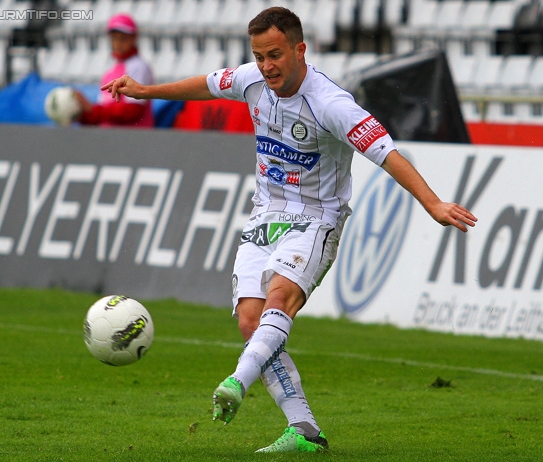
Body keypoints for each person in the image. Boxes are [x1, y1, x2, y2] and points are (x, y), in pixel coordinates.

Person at [101, 7, 477, 453]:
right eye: (259, 56)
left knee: (280, 300)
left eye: (275, 55)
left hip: (318, 216)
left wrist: (432, 203)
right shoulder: (251, 79)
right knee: (249, 320)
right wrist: (146, 91)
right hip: (266, 213)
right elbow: (206, 85)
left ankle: (237, 382)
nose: (266, 66)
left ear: (300, 49)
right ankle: (305, 431)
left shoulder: (332, 104)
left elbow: (387, 154)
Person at [75, 13, 154, 127]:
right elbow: (102, 113)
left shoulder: (139, 66)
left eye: (123, 38)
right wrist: (83, 114)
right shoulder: (110, 71)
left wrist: (92, 111)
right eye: (114, 38)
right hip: (113, 140)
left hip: (134, 140)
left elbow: (133, 110)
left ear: (134, 38)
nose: (118, 43)